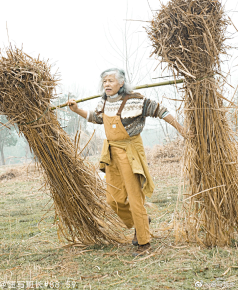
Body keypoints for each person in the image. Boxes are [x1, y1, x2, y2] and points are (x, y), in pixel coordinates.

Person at [67, 68, 187, 256]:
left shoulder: (135, 100)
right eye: (104, 81)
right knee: (113, 199)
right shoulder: (104, 102)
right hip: (111, 153)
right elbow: (96, 118)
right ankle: (141, 222)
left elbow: (160, 111)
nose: (106, 84)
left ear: (121, 83)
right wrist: (76, 110)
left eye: (110, 80)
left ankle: (144, 243)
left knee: (135, 196)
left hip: (131, 150)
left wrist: (181, 129)